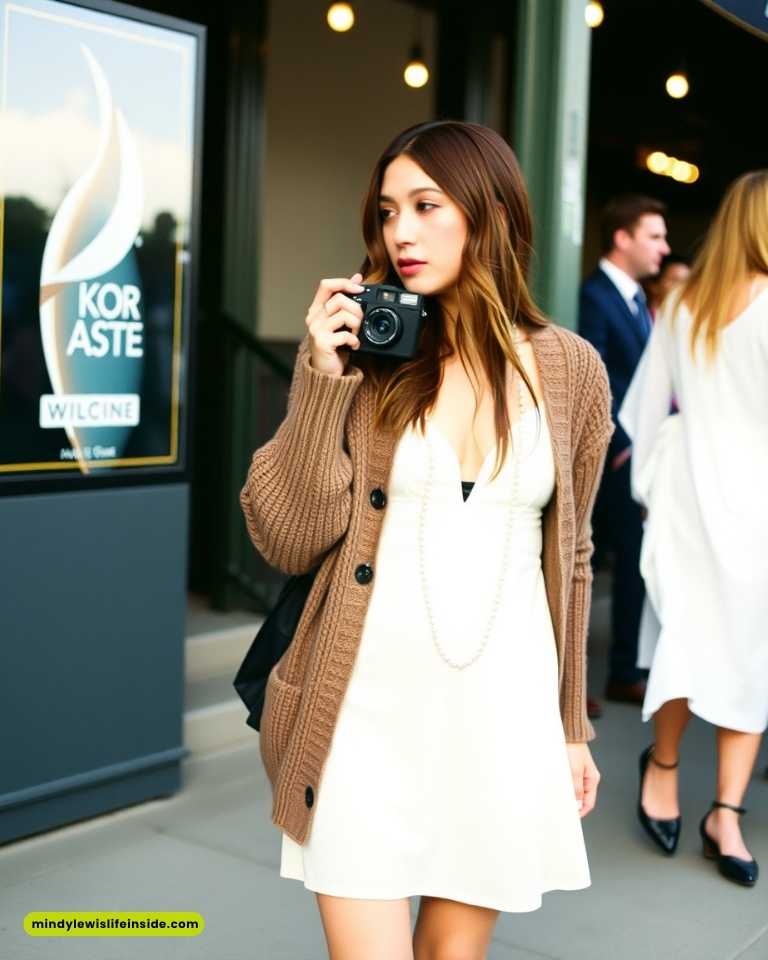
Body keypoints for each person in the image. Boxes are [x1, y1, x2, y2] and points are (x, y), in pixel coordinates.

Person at [240, 120, 613, 958]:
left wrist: (569, 727)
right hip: (360, 713)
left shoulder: (573, 370)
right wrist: (321, 383)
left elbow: (573, 560)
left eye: (424, 205)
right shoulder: (371, 359)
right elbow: (286, 536)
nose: (398, 232)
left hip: (501, 712)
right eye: (385, 212)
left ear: (489, 212)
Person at [619, 170, 768, 887]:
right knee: (705, 642)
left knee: (744, 651)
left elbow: (641, 416)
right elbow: (646, 406)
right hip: (710, 499)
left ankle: (719, 808)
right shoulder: (685, 308)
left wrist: (650, 485)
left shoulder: (682, 303)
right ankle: (675, 778)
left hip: (720, 498)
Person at [578, 195, 670, 714]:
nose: (664, 246)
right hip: (615, 454)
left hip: (640, 452)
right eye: (654, 235)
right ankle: (605, 675)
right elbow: (599, 374)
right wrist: (620, 442)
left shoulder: (636, 299)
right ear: (623, 238)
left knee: (635, 562)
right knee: (590, 562)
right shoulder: (596, 296)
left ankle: (624, 670)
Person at [643, 253, 691, 318]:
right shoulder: (642, 320)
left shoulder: (686, 320)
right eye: (676, 281)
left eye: (686, 283)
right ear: (653, 285)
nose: (683, 288)